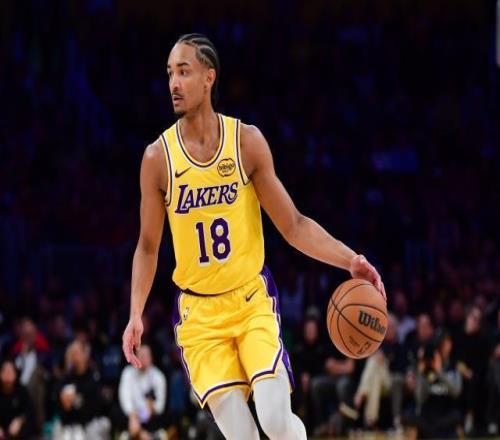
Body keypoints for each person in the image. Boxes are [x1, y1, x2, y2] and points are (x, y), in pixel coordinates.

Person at [122, 33, 385, 440]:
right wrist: (135, 312)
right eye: (170, 73)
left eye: (184, 72)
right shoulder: (157, 158)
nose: (173, 83)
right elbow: (148, 246)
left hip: (250, 301)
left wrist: (351, 260)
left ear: (209, 77)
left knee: (276, 422)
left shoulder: (245, 142)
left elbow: (294, 225)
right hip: (200, 318)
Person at [117, 345, 167, 440]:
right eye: (141, 355)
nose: (143, 359)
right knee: (116, 413)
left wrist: (151, 408)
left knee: (161, 420)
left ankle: (139, 434)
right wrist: (133, 417)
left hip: (151, 418)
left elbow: (160, 407)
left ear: (151, 358)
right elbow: (125, 399)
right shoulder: (127, 373)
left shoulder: (158, 376)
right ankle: (142, 435)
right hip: (131, 417)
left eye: (146, 356)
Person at [0, 359, 35, 439]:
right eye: (5, 371)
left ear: (15, 374)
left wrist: (19, 420)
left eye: (10, 371)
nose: (7, 374)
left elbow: (29, 411)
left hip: (19, 434)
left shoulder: (22, 391)